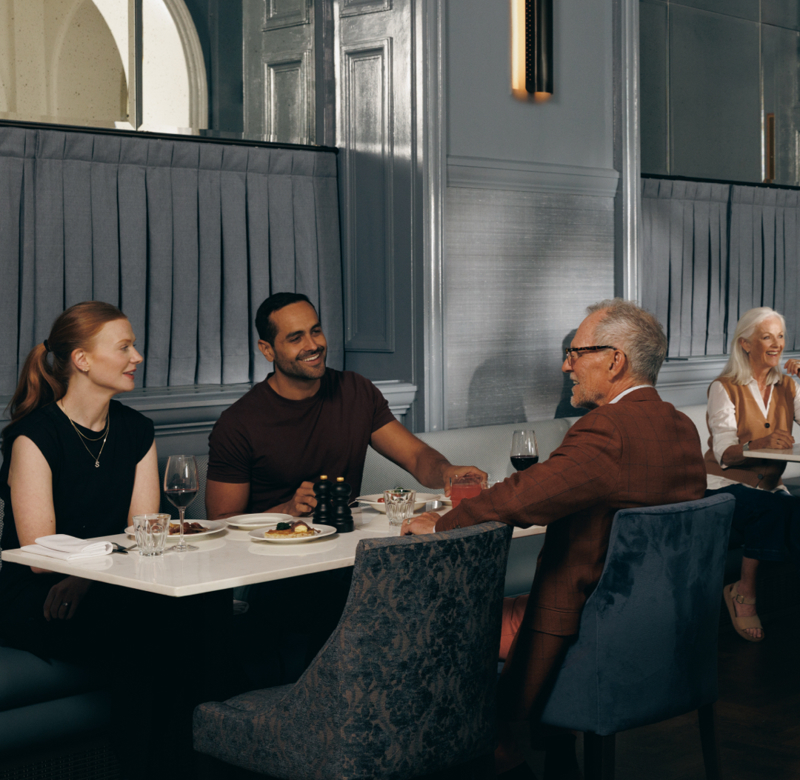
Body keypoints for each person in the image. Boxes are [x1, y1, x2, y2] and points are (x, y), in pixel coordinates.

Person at [403, 299, 707, 780]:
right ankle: (555, 749)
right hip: (663, 627)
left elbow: (523, 497)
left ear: (615, 361)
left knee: (437, 622)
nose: (567, 365)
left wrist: (441, 524)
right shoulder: (682, 427)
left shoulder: (607, 428)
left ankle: (503, 757)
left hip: (590, 625)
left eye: (576, 352)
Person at [206, 292, 485, 518]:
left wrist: (447, 472)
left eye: (315, 331)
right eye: (296, 338)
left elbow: (415, 457)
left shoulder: (355, 390)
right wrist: (286, 511)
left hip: (348, 549)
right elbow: (220, 519)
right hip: (274, 563)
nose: (312, 345)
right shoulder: (238, 423)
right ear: (267, 350)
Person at [0, 301, 159, 656]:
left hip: (110, 580)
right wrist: (92, 577)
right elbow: (41, 558)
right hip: (40, 594)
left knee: (191, 610)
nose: (137, 357)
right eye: (124, 347)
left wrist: (87, 578)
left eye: (133, 346)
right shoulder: (34, 438)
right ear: (82, 360)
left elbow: (144, 535)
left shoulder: (138, 430)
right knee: (149, 624)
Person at [704, 307, 800, 643]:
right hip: (723, 484)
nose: (777, 344)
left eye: (780, 336)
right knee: (772, 510)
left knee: (793, 509)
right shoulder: (724, 387)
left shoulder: (788, 386)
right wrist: (759, 443)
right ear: (745, 344)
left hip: (769, 487)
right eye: (767, 337)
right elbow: (724, 454)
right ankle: (743, 592)